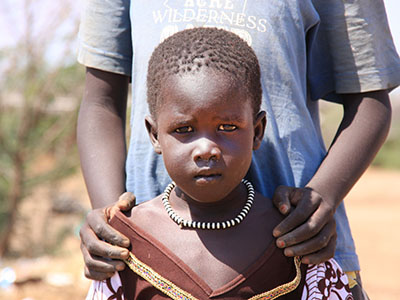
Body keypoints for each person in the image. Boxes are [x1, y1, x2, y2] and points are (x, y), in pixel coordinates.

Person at [77, 1, 400, 298]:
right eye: (184, 130)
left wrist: (321, 198)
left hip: (298, 244)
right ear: (155, 135)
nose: (206, 149)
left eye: (226, 128)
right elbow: (101, 100)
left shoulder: (313, 278)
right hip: (148, 254)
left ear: (257, 130)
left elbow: (368, 98)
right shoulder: (131, 268)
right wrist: (111, 225)